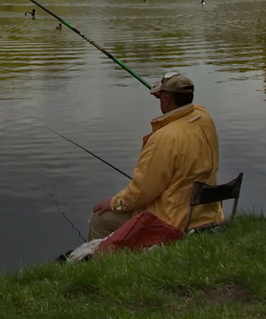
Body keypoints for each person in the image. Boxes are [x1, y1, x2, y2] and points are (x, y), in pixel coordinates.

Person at [86, 71, 221, 244]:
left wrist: (115, 202)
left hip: (172, 221)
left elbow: (143, 191)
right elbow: (189, 109)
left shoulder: (165, 137)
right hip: (206, 214)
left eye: (161, 97)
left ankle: (99, 263)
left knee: (100, 218)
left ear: (167, 99)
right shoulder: (205, 119)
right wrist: (166, 99)